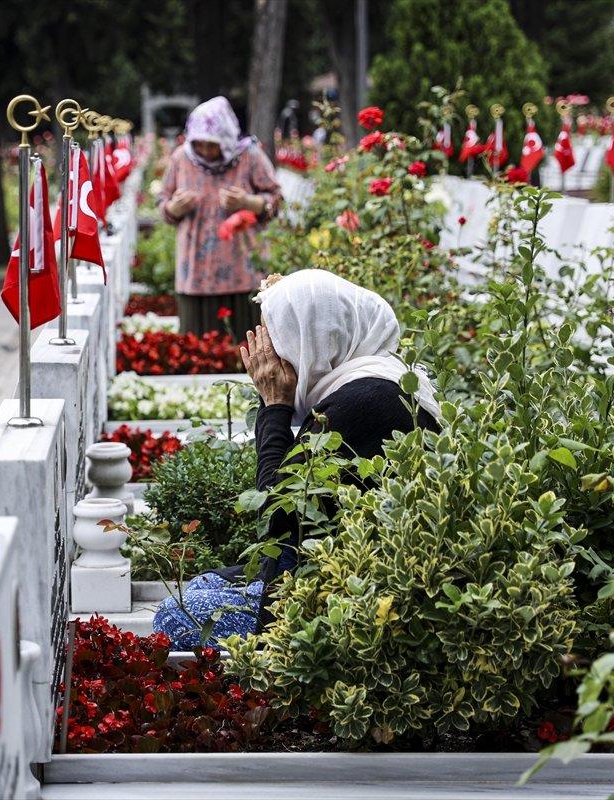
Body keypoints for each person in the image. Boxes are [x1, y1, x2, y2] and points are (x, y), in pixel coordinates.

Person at [152, 270, 442, 650]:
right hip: (317, 566)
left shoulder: (363, 402)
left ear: (314, 339)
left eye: (280, 340)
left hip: (337, 601)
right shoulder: (374, 380)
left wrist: (275, 404)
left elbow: (275, 515)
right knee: (203, 583)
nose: (272, 357)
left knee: (174, 616)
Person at [158, 97, 282, 336]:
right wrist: (174, 208)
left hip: (243, 271)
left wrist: (248, 202)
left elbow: (276, 200)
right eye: (199, 144)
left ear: (225, 139)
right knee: (198, 344)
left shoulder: (249, 156)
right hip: (196, 274)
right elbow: (163, 201)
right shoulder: (181, 158)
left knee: (246, 341)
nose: (205, 151)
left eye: (212, 145)